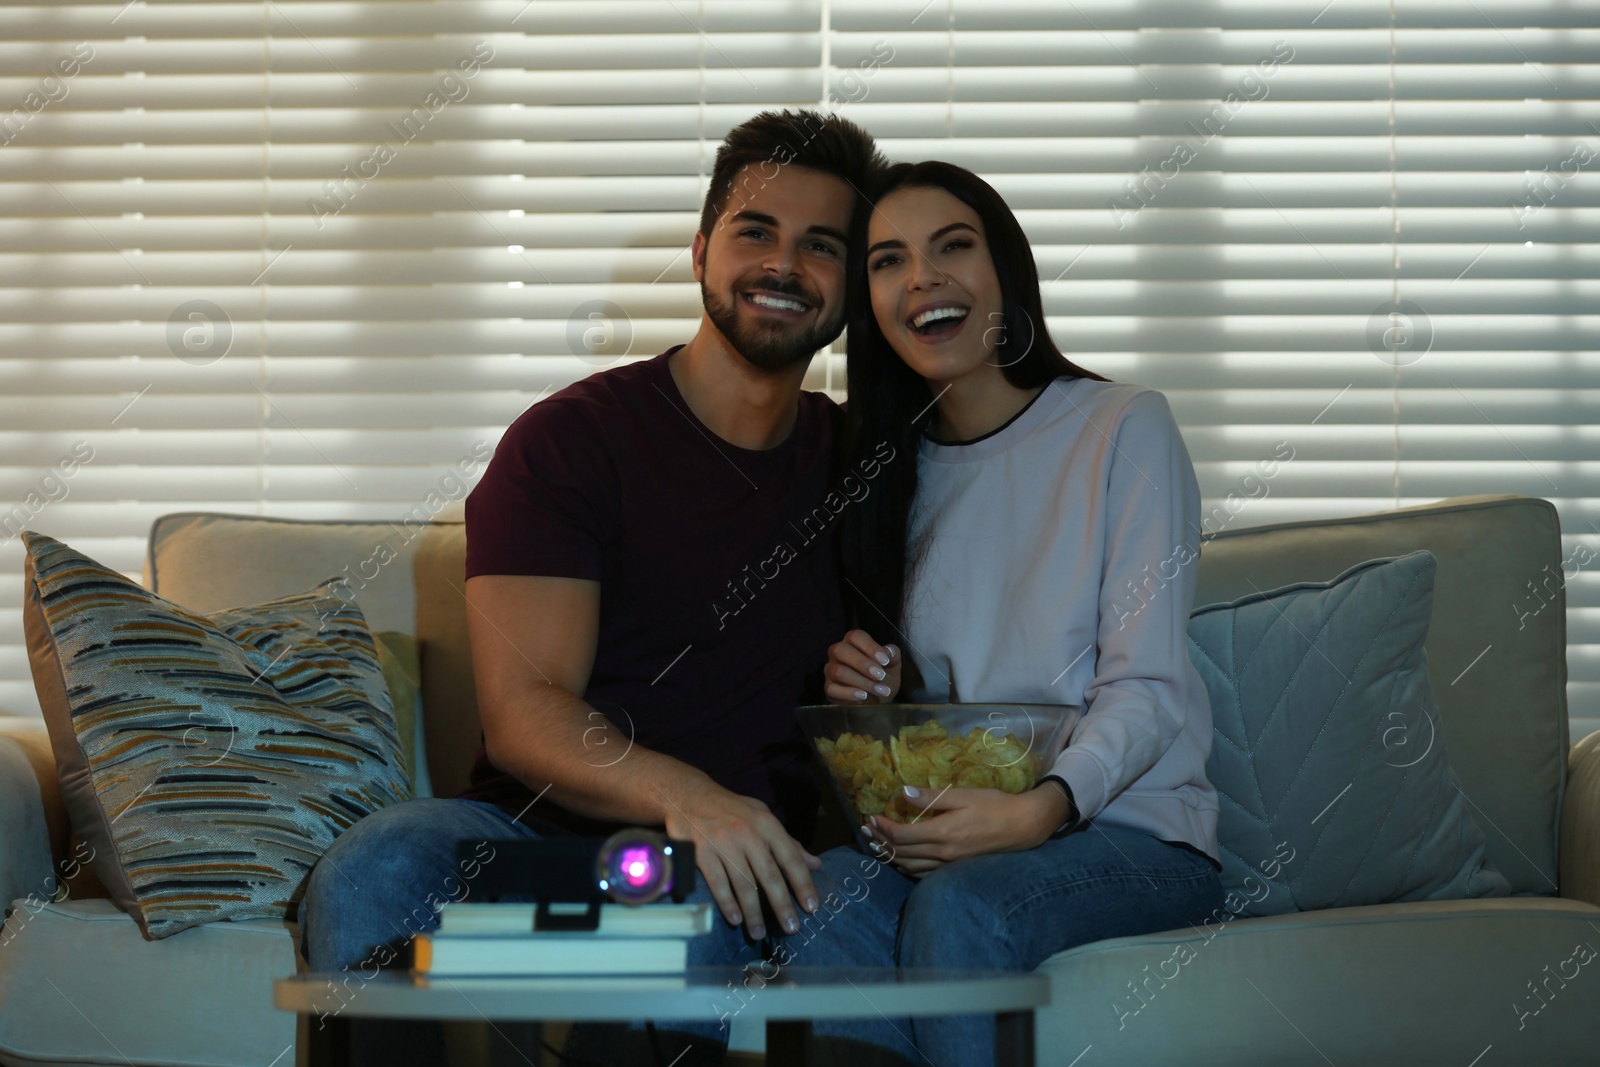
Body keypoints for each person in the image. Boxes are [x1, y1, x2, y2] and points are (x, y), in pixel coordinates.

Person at [297, 108, 888, 1065]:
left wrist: (886, 691)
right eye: (755, 232)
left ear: (851, 286)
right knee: (380, 857)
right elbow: (525, 714)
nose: (785, 265)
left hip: (755, 860)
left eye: (822, 246)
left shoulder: (865, 463)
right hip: (544, 834)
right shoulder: (570, 444)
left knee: (707, 897)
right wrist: (687, 796)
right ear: (701, 252)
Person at [807, 160, 1225, 1066]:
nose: (923, 278)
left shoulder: (1124, 426)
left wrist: (1039, 810)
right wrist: (877, 698)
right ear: (869, 304)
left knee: (963, 907)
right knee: (820, 892)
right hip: (970, 829)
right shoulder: (890, 479)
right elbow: (945, 718)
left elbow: (1146, 685)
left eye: (953, 246)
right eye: (888, 260)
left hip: (1132, 836)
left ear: (1007, 273)